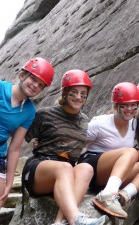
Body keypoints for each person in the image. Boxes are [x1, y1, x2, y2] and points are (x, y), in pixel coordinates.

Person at [0, 57, 54, 225]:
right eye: (33, 79)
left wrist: (9, 182)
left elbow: (15, 148)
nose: (35, 85)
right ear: (23, 75)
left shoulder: (30, 111)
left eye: (41, 85)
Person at [21, 70, 108, 225]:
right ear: (65, 92)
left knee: (86, 168)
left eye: (83, 93)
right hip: (39, 170)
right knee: (65, 167)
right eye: (74, 92)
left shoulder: (84, 120)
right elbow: (20, 139)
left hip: (64, 174)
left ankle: (59, 222)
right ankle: (77, 219)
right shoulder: (44, 114)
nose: (78, 97)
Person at [78, 82, 139, 219]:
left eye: (133, 105)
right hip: (94, 167)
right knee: (131, 151)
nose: (129, 109)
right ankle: (107, 195)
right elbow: (76, 139)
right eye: (124, 105)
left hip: (116, 173)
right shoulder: (100, 123)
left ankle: (122, 196)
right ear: (116, 106)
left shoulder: (134, 123)